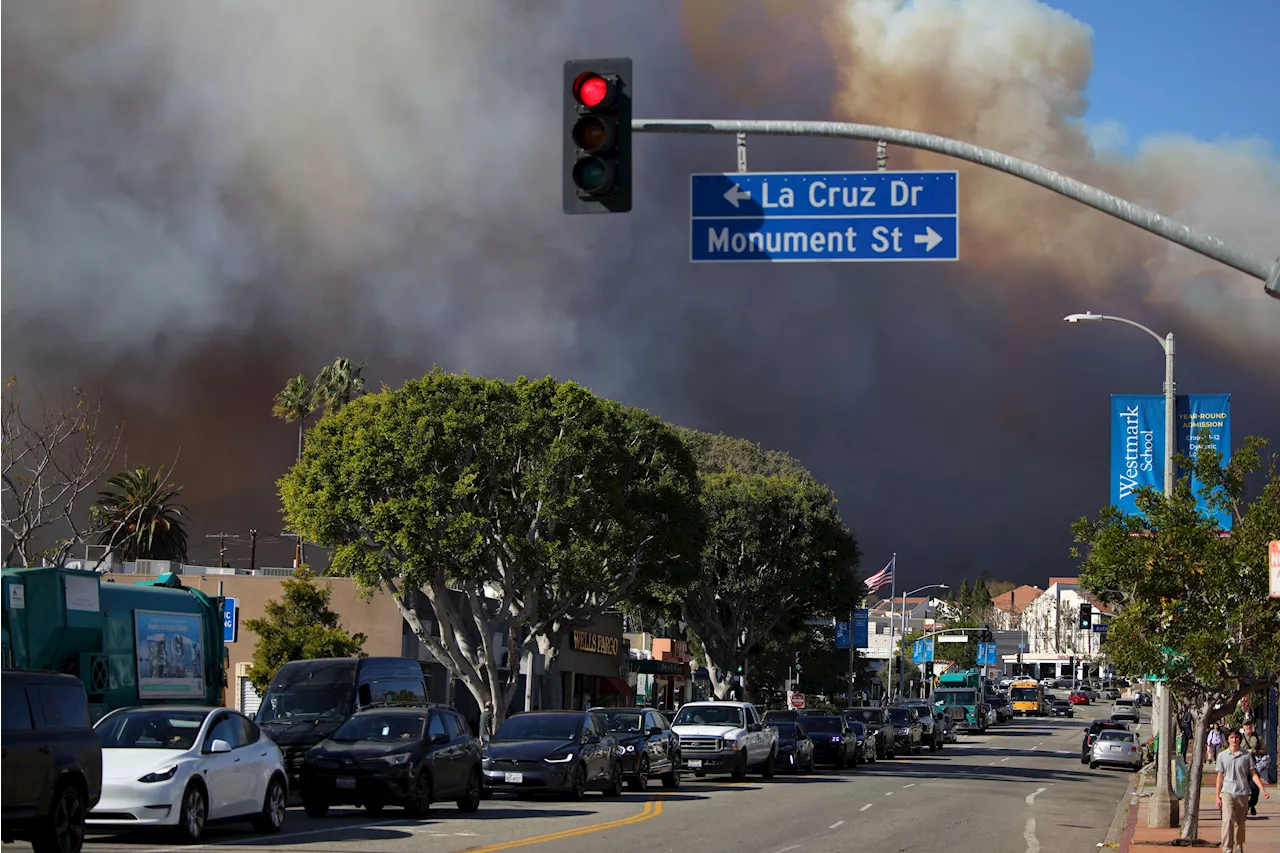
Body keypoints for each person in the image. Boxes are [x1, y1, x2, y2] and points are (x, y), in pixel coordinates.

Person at [1216, 728, 1269, 853]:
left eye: (1236, 738)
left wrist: (1262, 789)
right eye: (1232, 738)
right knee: (1227, 820)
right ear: (1228, 740)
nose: (1234, 740)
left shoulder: (1246, 756)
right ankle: (1227, 848)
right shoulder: (1222, 756)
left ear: (1239, 739)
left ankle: (1239, 844)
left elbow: (1253, 773)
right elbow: (1220, 777)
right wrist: (1217, 796)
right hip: (1227, 791)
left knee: (1240, 823)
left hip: (1242, 792)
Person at [1241, 719, 1266, 816]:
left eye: (1249, 725)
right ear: (1243, 727)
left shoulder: (1257, 737)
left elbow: (1264, 750)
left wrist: (1256, 751)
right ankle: (1244, 807)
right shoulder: (1240, 738)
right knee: (1242, 789)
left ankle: (1251, 804)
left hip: (1253, 767)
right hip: (1242, 767)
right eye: (1246, 725)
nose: (1248, 727)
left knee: (1255, 789)